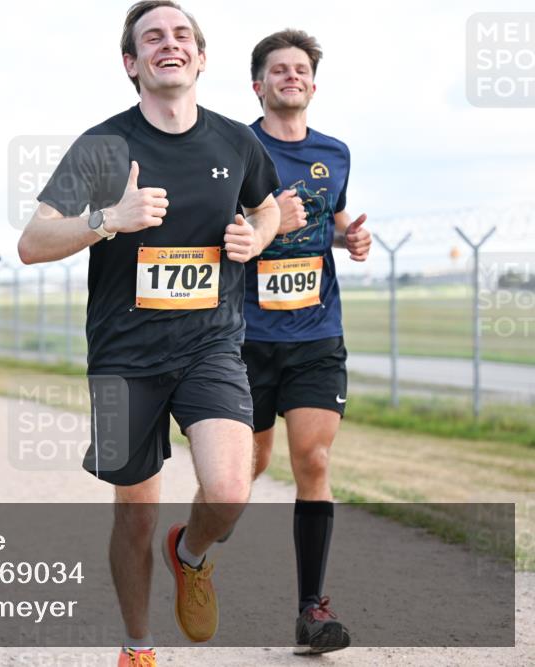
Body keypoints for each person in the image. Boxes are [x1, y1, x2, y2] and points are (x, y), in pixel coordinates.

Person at [16, 2, 282, 662]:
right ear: (132, 64)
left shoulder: (234, 141)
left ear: (200, 57)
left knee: (229, 488)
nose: (171, 43)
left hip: (211, 343)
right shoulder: (104, 146)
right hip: (124, 355)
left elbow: (268, 204)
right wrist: (110, 217)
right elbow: (31, 241)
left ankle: (189, 553)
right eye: (153, 37)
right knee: (134, 514)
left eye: (182, 35)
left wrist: (258, 236)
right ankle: (138, 645)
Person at [242, 29, 371, 655]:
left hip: (317, 332)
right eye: (279, 69)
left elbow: (336, 215)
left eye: (301, 70)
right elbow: (218, 234)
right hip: (245, 337)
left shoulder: (335, 153)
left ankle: (311, 611)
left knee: (313, 462)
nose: (291, 76)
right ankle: (191, 551)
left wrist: (350, 239)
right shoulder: (238, 149)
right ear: (258, 84)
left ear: (313, 85)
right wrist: (267, 225)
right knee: (246, 468)